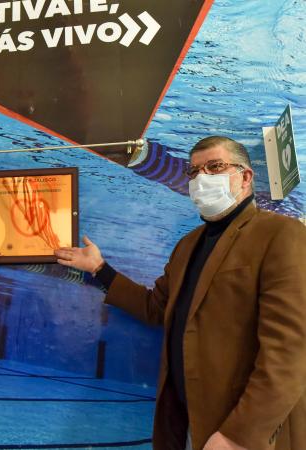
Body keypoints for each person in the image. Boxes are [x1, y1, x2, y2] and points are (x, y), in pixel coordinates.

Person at [55, 136, 306, 450]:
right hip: (189, 422)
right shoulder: (187, 245)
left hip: (243, 433)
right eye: (194, 171)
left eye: (215, 167)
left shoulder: (282, 234)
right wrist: (99, 269)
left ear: (245, 176)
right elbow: (156, 307)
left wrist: (239, 435)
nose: (202, 178)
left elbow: (291, 351)